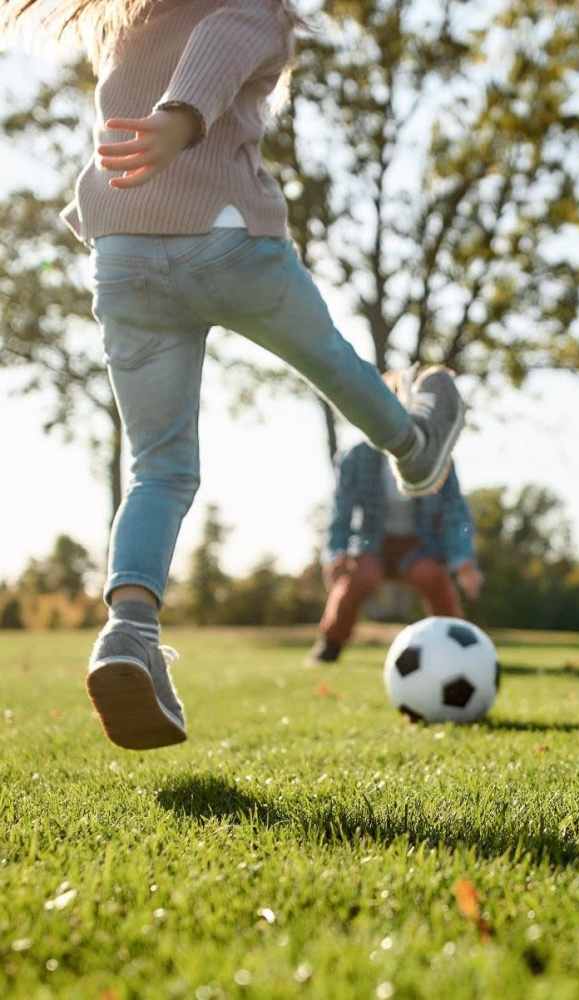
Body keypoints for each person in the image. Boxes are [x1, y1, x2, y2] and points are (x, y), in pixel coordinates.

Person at [2, 0, 466, 750]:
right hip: (227, 238)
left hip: (122, 257)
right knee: (337, 365)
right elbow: (219, 43)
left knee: (158, 469)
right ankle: (414, 448)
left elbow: (199, 56)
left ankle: (128, 632)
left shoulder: (130, 23)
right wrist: (182, 119)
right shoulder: (254, 8)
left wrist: (169, 121)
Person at [308, 434, 483, 665]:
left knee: (433, 577)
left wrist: (463, 561)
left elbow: (455, 512)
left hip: (418, 544)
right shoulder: (356, 456)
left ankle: (458, 649)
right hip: (371, 543)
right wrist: (336, 552)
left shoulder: (436, 457)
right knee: (360, 577)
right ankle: (330, 644)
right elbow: (341, 507)